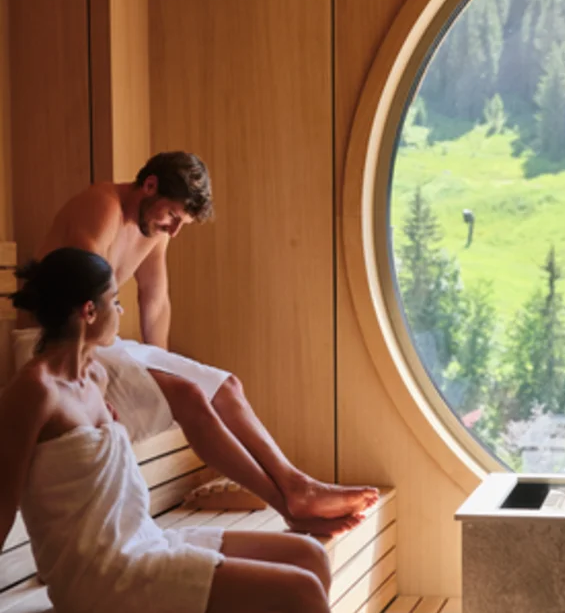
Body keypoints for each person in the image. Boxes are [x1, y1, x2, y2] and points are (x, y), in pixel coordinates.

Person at [0, 249, 429, 613]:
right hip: (101, 577)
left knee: (308, 554)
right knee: (297, 592)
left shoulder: (95, 375)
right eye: (114, 302)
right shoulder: (32, 392)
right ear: (87, 311)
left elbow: (189, 398)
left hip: (140, 543)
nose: (121, 313)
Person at [16, 151, 378, 537]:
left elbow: (155, 301)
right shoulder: (102, 206)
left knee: (226, 386)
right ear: (149, 185)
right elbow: (79, 301)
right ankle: (289, 502)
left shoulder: (155, 231)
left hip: (103, 342)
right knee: (188, 395)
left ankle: (296, 485)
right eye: (172, 216)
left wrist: (163, 363)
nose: (173, 230)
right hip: (59, 345)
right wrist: (91, 379)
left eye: (181, 223)